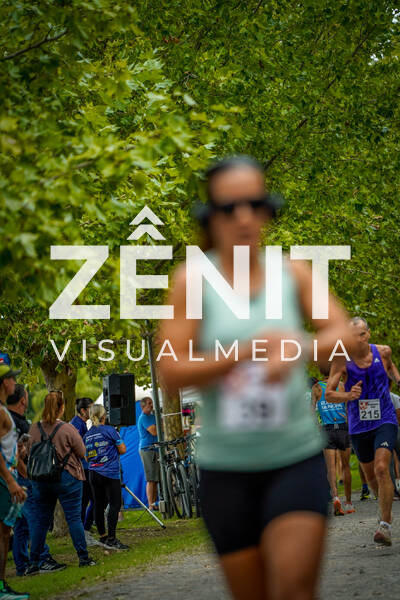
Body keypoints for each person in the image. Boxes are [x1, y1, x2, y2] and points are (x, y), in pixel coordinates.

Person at [157, 155, 355, 600]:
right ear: (211, 216)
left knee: (294, 588)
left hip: (293, 457)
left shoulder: (292, 273)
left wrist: (296, 346)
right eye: (230, 208)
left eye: (255, 204)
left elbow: (343, 334)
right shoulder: (193, 280)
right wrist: (242, 353)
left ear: (268, 210)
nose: (244, 217)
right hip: (226, 468)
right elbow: (171, 367)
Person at [326, 317, 400, 545]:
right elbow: (329, 394)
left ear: (368, 333)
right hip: (358, 426)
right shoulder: (341, 360)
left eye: (361, 335)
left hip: (384, 418)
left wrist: (397, 379)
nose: (357, 340)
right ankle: (383, 508)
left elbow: (391, 369)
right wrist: (348, 395)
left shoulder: (383, 352)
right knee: (371, 476)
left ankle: (385, 525)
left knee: (381, 467)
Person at [27, 390, 96, 572]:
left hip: (41, 479)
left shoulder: (33, 429)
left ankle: (34, 563)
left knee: (41, 521)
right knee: (74, 518)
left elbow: (25, 452)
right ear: (62, 407)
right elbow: (82, 452)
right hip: (67, 477)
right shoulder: (67, 429)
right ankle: (83, 557)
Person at [8, 385, 58, 575]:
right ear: (23, 400)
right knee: (36, 518)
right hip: (20, 479)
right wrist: (27, 476)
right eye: (27, 397)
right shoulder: (13, 422)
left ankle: (22, 565)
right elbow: (15, 456)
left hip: (14, 479)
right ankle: (41, 559)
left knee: (21, 524)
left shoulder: (15, 419)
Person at [0, 365, 29, 600]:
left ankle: (3, 585)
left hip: (9, 477)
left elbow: (8, 449)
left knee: (5, 532)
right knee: (2, 534)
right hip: (3, 481)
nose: (14, 383)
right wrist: (10, 481)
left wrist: (22, 470)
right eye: (12, 379)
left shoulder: (3, 411)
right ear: (4, 382)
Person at [84, 405, 128, 550]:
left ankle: (103, 537)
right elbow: (123, 449)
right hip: (110, 472)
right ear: (104, 416)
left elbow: (86, 457)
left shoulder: (87, 435)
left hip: (93, 473)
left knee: (98, 505)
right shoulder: (110, 430)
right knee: (115, 504)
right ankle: (112, 539)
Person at [312, 367, 354, 516]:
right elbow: (349, 407)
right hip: (342, 427)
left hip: (327, 428)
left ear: (321, 372)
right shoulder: (341, 386)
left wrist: (317, 427)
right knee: (346, 466)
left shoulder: (317, 388)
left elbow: (311, 410)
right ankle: (348, 502)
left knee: (331, 468)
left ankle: (335, 497)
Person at [70, 397, 98, 547]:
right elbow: (79, 448)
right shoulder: (76, 425)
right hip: (82, 469)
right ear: (83, 410)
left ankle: (85, 528)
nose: (93, 411)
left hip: (87, 467)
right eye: (90, 408)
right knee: (86, 500)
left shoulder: (82, 423)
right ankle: (83, 531)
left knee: (94, 499)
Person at [138, 397, 160, 511]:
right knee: (151, 479)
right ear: (143, 406)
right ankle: (151, 505)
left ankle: (155, 503)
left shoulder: (152, 416)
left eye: (152, 402)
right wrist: (161, 425)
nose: (151, 405)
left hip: (155, 449)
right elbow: (155, 431)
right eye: (149, 403)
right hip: (147, 449)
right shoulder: (144, 418)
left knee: (155, 479)